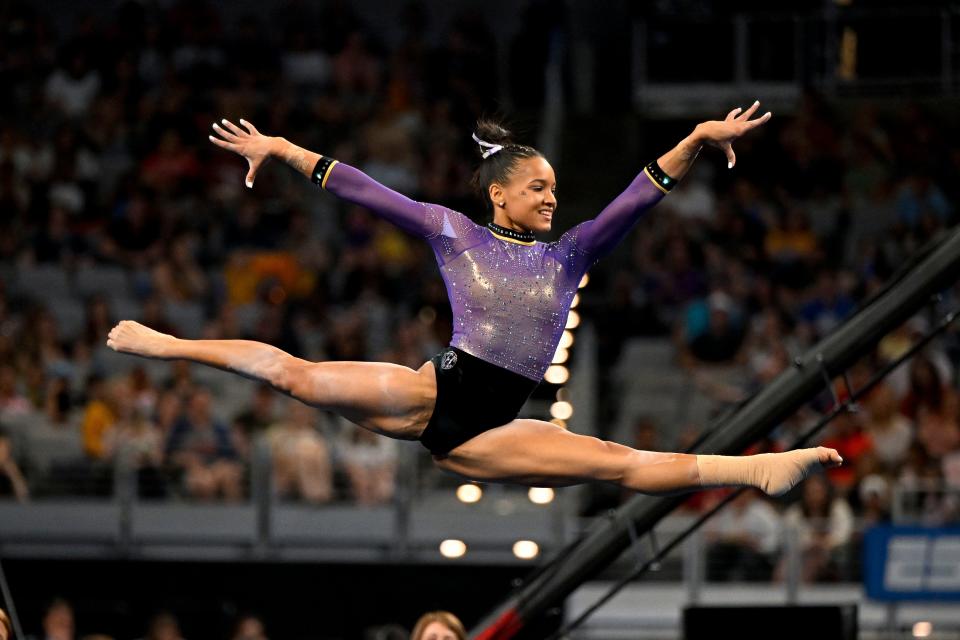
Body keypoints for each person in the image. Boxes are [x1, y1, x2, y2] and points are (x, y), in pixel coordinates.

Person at [107, 102, 841, 498]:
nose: (553, 197)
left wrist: (695, 139)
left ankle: (757, 469)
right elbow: (367, 191)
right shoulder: (455, 233)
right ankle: (168, 344)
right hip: (436, 396)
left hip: (488, 434)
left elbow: (636, 198)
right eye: (538, 188)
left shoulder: (570, 255)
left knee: (618, 463)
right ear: (499, 194)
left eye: (556, 188)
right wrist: (284, 148)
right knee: (293, 375)